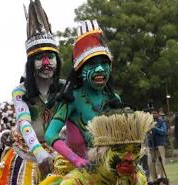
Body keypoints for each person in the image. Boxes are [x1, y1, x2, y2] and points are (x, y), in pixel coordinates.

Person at [0, 0, 63, 185]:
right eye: (40, 58)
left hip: (61, 156)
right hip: (27, 157)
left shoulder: (66, 89)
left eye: (51, 56)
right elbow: (25, 123)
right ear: (31, 63)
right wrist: (39, 152)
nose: (46, 63)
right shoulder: (20, 92)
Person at [44, 19, 122, 170]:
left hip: (110, 171)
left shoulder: (114, 100)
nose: (100, 69)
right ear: (79, 71)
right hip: (75, 170)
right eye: (92, 64)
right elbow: (50, 135)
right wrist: (76, 160)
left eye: (104, 63)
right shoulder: (72, 98)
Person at [58, 111, 154, 185]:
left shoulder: (138, 180)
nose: (129, 158)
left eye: (135, 150)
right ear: (101, 151)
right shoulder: (75, 184)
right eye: (120, 150)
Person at [147, 108, 167, 182]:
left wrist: (155, 128)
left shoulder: (162, 122)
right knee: (151, 162)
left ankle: (161, 177)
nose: (153, 114)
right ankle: (154, 179)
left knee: (160, 161)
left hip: (160, 144)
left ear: (158, 114)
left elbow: (164, 132)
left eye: (155, 113)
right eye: (152, 113)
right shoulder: (147, 122)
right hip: (150, 145)